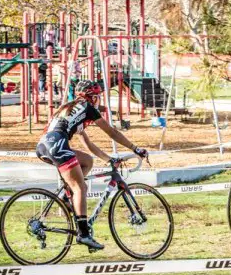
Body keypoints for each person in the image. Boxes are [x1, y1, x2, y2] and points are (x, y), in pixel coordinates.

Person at [36, 80, 149, 250]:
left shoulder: (69, 108)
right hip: (57, 146)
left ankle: (67, 199)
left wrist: (108, 159)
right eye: (98, 96)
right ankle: (83, 234)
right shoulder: (87, 108)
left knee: (87, 161)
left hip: (44, 146)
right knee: (80, 188)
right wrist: (135, 148)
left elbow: (88, 145)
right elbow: (112, 132)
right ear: (92, 97)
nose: (99, 100)